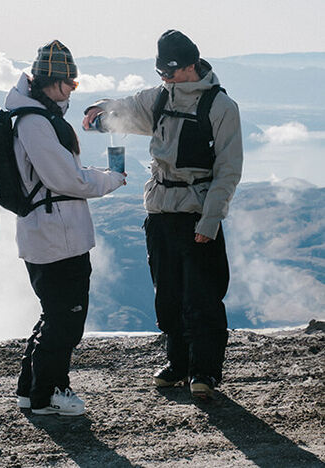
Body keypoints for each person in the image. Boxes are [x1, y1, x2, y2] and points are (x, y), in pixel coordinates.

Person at [83, 30, 243, 399]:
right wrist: (100, 110)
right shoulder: (159, 98)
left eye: (170, 73)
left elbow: (229, 171)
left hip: (196, 213)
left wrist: (211, 220)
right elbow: (126, 110)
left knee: (202, 296)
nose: (165, 80)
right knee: (167, 293)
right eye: (160, 74)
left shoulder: (220, 107)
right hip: (159, 211)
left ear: (191, 66)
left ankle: (205, 371)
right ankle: (178, 365)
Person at [4, 40, 126, 415]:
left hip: (49, 233)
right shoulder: (36, 122)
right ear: (53, 83)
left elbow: (62, 175)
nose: (73, 89)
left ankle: (31, 390)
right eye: (70, 83)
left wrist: (99, 177)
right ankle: (50, 393)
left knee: (54, 314)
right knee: (67, 320)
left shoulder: (31, 116)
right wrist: (112, 179)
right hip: (57, 238)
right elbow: (67, 179)